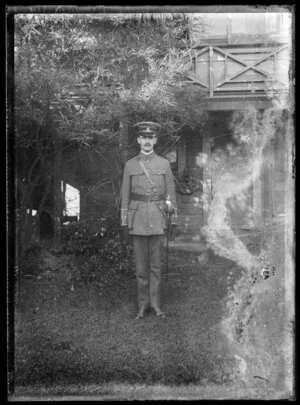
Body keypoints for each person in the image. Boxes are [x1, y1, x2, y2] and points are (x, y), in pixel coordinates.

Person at [120, 121, 177, 319]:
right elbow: (125, 195)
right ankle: (142, 306)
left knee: (155, 266)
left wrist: (173, 219)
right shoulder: (130, 165)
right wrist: (124, 222)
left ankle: (156, 305)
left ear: (155, 140)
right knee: (141, 268)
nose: (147, 141)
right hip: (137, 221)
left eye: (150, 137)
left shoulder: (164, 164)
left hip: (157, 217)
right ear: (138, 140)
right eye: (143, 137)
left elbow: (170, 194)